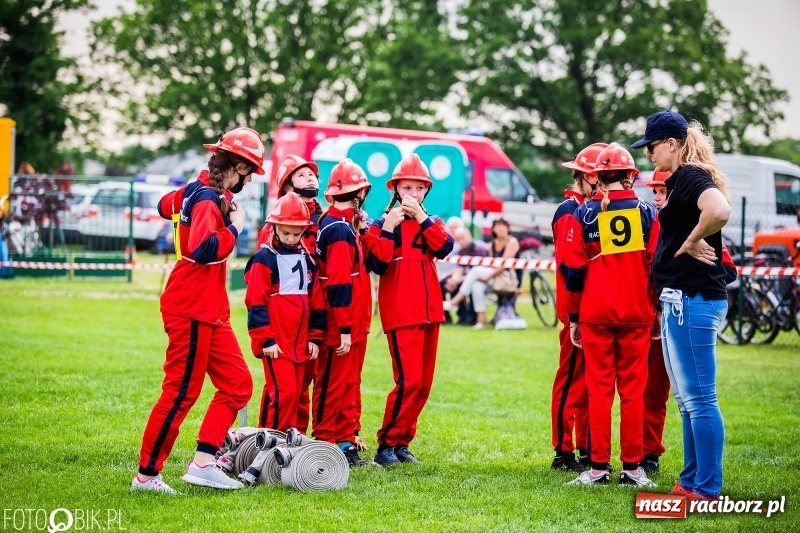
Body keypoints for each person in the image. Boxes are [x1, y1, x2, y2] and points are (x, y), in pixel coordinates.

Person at [132, 127, 265, 493]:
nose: (250, 179)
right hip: (191, 304)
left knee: (238, 385)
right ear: (237, 164)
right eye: (249, 170)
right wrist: (234, 228)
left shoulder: (198, 191)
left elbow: (164, 206)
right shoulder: (206, 197)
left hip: (208, 308)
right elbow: (204, 249)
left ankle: (204, 463)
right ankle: (146, 476)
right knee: (180, 393)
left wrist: (199, 197)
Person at [631, 110, 731, 499]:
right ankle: (691, 480)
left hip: (693, 300)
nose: (649, 155)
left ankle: (706, 487)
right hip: (683, 300)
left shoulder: (690, 175)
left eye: (653, 147)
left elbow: (719, 211)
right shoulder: (684, 178)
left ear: (672, 144)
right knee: (688, 400)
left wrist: (691, 241)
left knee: (700, 398)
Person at [562, 142, 660, 487]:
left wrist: (573, 317)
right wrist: (657, 310)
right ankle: (632, 469)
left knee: (599, 391)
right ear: (631, 175)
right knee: (633, 392)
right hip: (637, 313)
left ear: (598, 176)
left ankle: (598, 469)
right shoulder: (649, 212)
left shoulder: (584, 213)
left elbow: (573, 272)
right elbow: (656, 266)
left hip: (596, 313)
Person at [366, 153, 454, 465]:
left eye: (419, 188)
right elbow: (377, 263)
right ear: (396, 189)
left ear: (425, 192)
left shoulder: (431, 222)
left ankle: (402, 442)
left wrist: (421, 218)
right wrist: (388, 227)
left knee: (424, 384)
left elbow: (444, 247)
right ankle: (385, 446)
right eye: (407, 188)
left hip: (430, 310)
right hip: (401, 310)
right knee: (409, 381)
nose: (413, 194)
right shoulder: (381, 223)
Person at [244, 192, 325, 432]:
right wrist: (265, 339)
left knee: (298, 394)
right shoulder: (264, 258)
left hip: (301, 344)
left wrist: (314, 337)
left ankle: (294, 442)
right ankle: (271, 444)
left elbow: (316, 300)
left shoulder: (307, 259)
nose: (291, 238)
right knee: (284, 394)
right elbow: (255, 301)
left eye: (297, 233)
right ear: (275, 227)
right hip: (276, 344)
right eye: (286, 232)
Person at [313, 158, 375, 467]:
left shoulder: (344, 226)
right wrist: (346, 329)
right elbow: (337, 284)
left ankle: (346, 443)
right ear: (360, 193)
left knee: (349, 384)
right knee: (333, 385)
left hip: (351, 322)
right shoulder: (338, 230)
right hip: (342, 323)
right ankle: (324, 443)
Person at [549, 142, 605, 473]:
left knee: (591, 387)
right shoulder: (570, 210)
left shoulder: (594, 208)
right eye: (596, 178)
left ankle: (587, 446)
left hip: (597, 311)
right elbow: (571, 268)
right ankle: (563, 450)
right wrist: (573, 316)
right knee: (571, 383)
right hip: (578, 312)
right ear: (583, 178)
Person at [443, 219, 520, 329]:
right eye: (497, 226)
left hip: (507, 278)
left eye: (503, 225)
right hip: (494, 276)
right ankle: (481, 321)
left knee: (476, 270)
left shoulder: (512, 242)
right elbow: (490, 265)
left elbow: (503, 265)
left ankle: (455, 302)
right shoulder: (493, 244)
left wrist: (486, 277)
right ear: (493, 229)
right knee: (477, 286)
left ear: (508, 228)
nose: (501, 228)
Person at [440, 227, 489, 325]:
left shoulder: (480, 249)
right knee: (446, 283)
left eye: (463, 238)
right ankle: (451, 316)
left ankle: (469, 316)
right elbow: (460, 268)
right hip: (468, 278)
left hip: (481, 278)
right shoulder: (461, 251)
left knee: (470, 285)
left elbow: (477, 273)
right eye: (458, 240)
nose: (461, 241)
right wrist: (454, 280)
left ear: (469, 235)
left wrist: (457, 280)